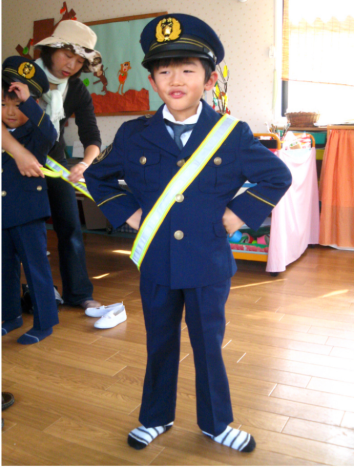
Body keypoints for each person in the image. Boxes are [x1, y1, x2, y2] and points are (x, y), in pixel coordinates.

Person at [83, 14, 292, 453]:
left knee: (207, 344)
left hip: (208, 263)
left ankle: (216, 422)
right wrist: (132, 214)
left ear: (209, 77)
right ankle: (155, 416)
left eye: (187, 69)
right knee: (160, 341)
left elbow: (276, 175)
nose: (175, 79)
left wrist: (236, 217)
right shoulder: (134, 134)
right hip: (157, 262)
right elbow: (99, 179)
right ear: (153, 80)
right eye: (164, 70)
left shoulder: (230, 135)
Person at [32, 20, 105, 311]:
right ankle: (35, 292)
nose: (71, 65)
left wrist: (85, 164)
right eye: (67, 55)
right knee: (27, 229)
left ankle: (78, 294)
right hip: (15, 159)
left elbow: (92, 135)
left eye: (79, 61)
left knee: (70, 227)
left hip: (54, 159)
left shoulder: (75, 88)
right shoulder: (22, 77)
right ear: (50, 49)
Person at [0, 56, 60, 344]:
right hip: (0, 211)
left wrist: (28, 103)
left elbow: (51, 133)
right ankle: (10, 316)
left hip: (27, 211)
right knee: (4, 268)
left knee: (35, 268)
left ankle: (44, 322)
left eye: (18, 104)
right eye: (4, 104)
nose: (10, 112)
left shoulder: (35, 134)